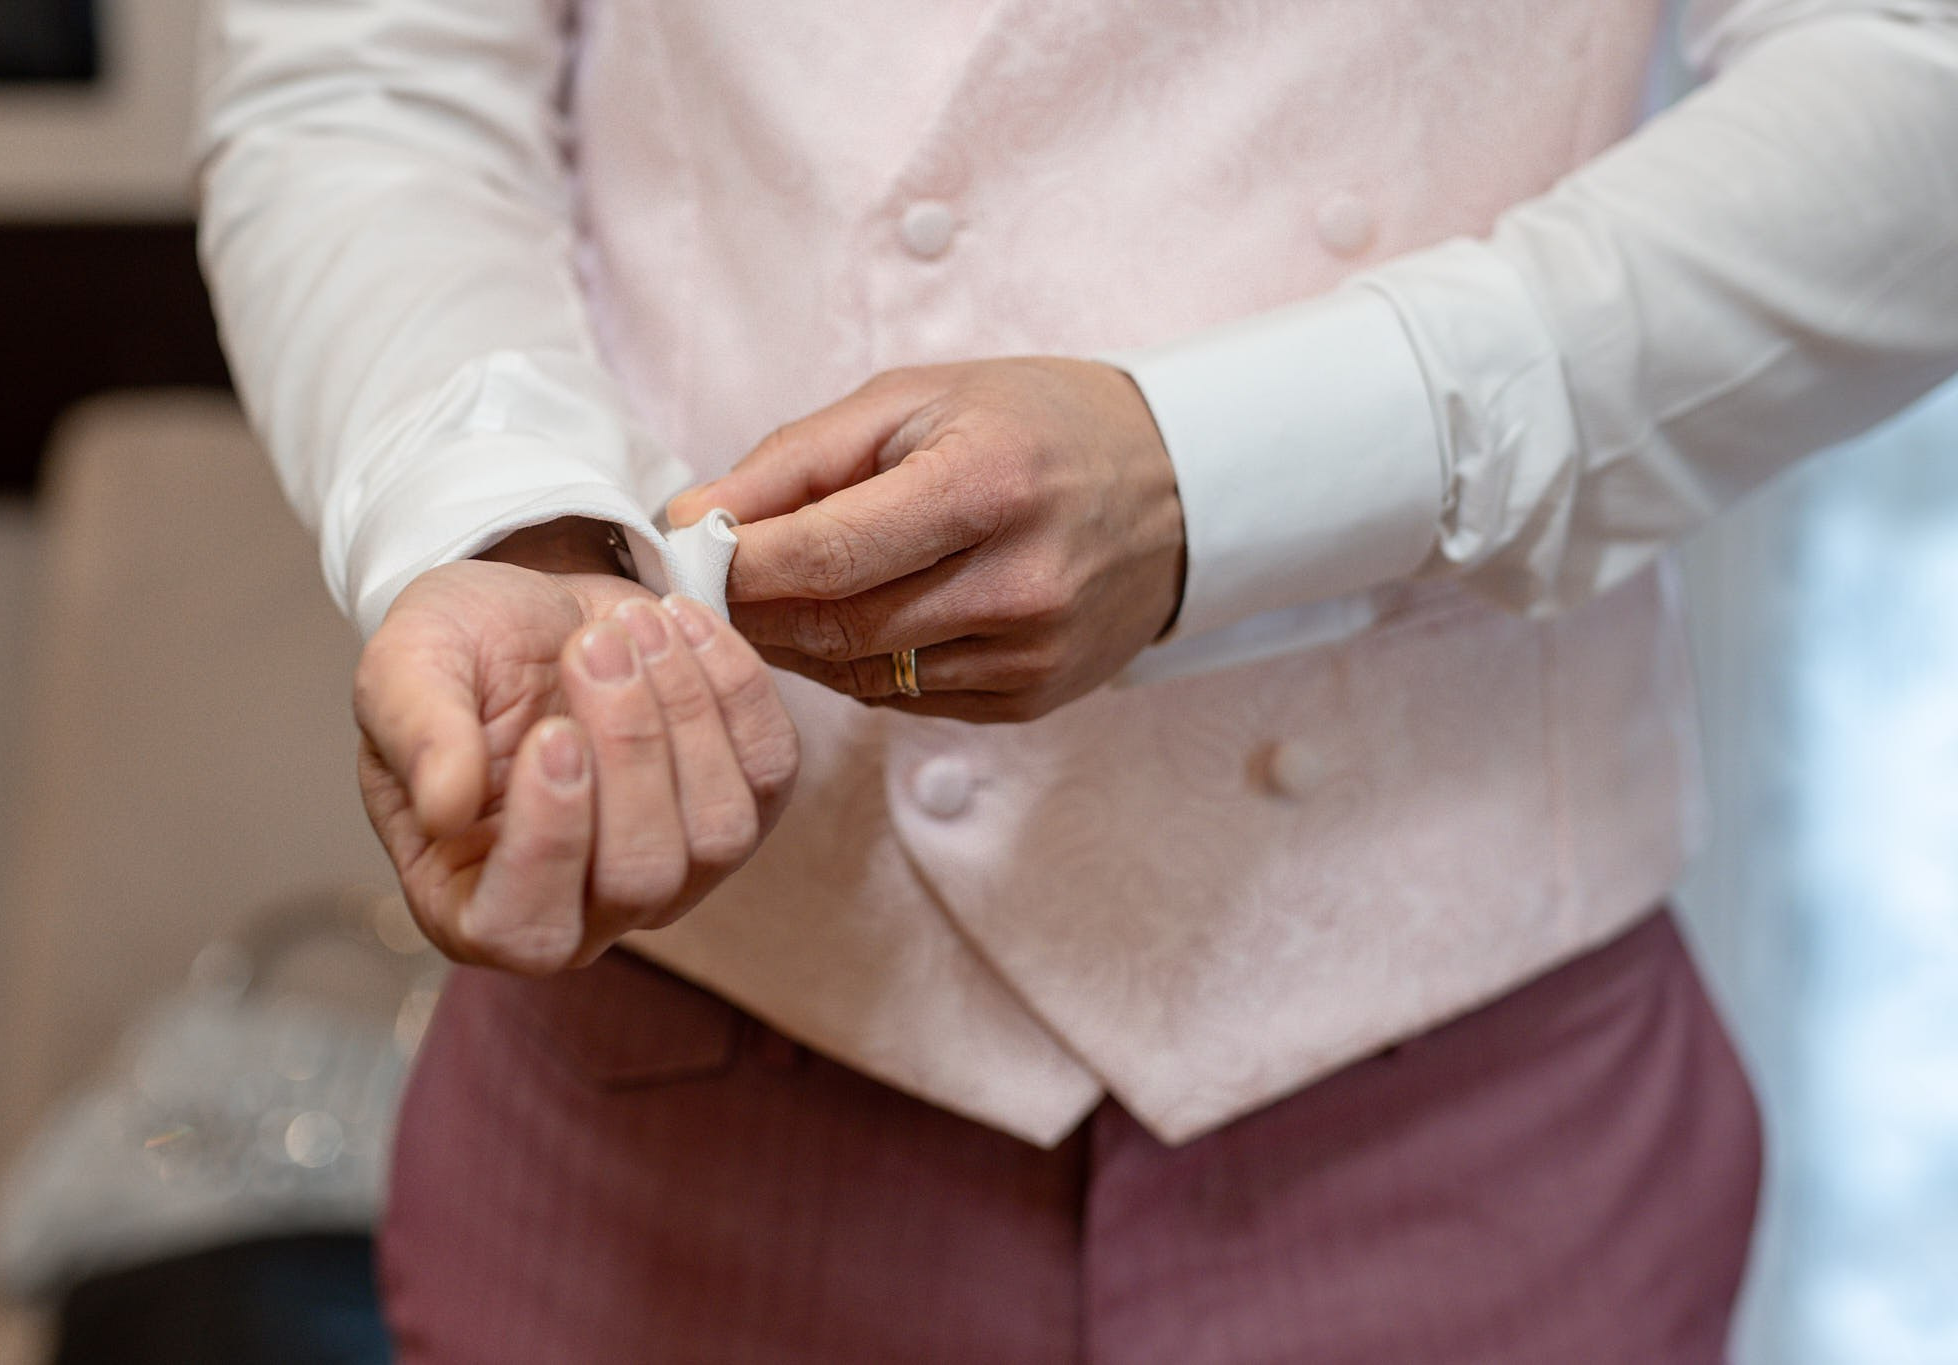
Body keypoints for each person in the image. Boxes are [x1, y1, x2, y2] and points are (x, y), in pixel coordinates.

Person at [196, 0, 1958, 1359]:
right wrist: (505, 517)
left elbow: (1910, 70)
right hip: (670, 1090)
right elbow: (364, 83)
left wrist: (1238, 470)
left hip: (1474, 1095)